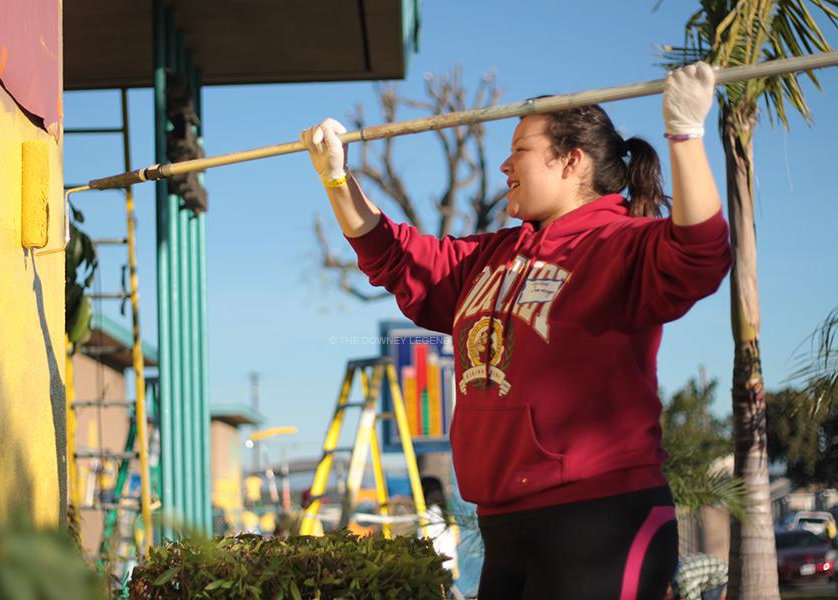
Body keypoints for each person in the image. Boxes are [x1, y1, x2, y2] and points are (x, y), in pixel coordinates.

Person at [301, 63, 730, 599]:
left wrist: (685, 134)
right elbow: (393, 255)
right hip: (504, 524)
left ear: (571, 161)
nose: (506, 163)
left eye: (521, 149)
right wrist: (336, 180)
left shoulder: (621, 243)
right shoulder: (492, 256)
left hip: (601, 520)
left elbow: (701, 253)